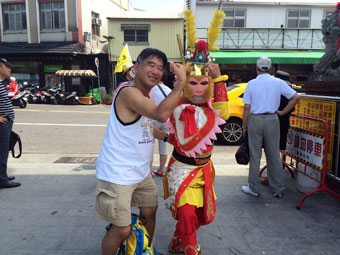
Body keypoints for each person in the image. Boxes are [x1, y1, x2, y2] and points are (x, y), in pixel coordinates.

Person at [94, 48, 186, 255]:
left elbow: (143, 126)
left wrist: (167, 138)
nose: (156, 71)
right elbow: (160, 115)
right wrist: (180, 84)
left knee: (150, 211)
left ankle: (145, 250)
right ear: (137, 67)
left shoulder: (146, 95)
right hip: (118, 174)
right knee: (121, 228)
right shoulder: (128, 92)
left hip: (141, 172)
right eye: (151, 65)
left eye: (161, 68)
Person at [241, 56, 299, 198]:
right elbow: (295, 97)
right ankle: (278, 189)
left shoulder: (251, 84)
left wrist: (244, 125)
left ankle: (254, 188)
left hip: (255, 119)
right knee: (273, 155)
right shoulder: (278, 82)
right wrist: (283, 112)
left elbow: (247, 107)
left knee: (255, 155)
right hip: (273, 119)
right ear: (271, 68)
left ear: (257, 68)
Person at [0, 58, 21, 189]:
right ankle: (2, 180)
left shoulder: (2, 83)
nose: (10, 69)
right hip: (2, 123)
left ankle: (2, 175)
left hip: (6, 123)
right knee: (2, 151)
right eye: (7, 67)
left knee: (3, 150)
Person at [150, 78, 172, 176]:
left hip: (154, 120)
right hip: (166, 121)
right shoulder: (169, 90)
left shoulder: (151, 89)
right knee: (163, 147)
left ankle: (149, 171)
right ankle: (161, 170)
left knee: (149, 146)